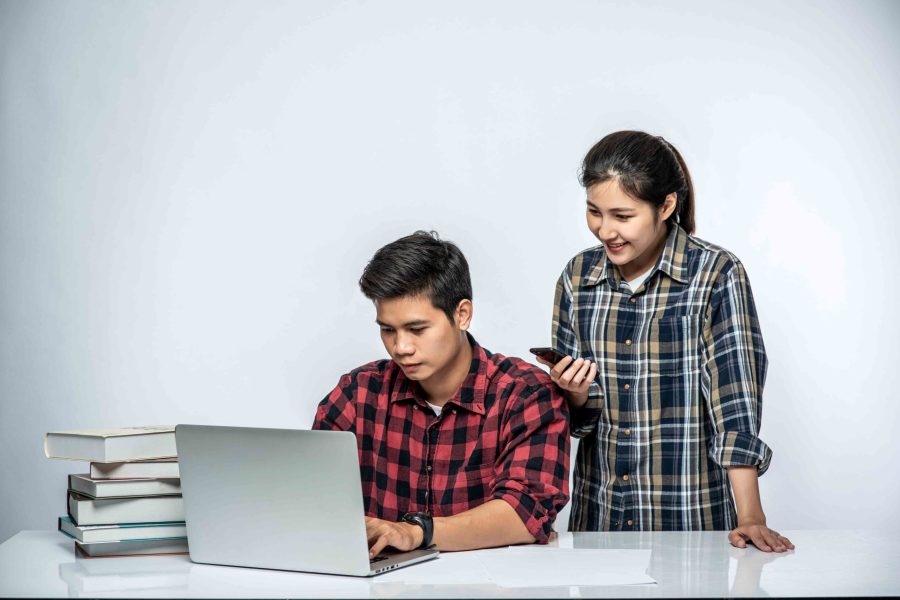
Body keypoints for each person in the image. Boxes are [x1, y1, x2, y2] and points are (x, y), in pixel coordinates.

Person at [540, 130, 793, 552]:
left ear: (667, 206)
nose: (605, 231)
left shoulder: (715, 274)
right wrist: (575, 393)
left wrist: (751, 516)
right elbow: (575, 418)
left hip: (691, 522)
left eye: (622, 216)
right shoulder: (577, 278)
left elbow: (734, 400)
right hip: (599, 520)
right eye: (593, 212)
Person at [313, 231, 569, 556]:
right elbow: (313, 503)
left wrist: (416, 532)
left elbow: (526, 515)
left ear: (462, 315)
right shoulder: (357, 394)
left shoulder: (525, 394)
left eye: (417, 330)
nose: (401, 348)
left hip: (488, 588)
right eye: (387, 330)